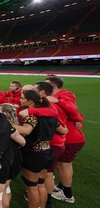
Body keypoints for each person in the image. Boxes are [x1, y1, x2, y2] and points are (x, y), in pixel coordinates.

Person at [45, 76, 85, 204]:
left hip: (70, 138)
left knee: (64, 166)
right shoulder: (61, 96)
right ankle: (62, 187)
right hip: (69, 137)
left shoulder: (63, 96)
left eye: (47, 85)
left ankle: (67, 194)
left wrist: (58, 100)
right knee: (63, 165)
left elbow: (74, 111)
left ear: (54, 86)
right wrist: (79, 119)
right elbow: (76, 115)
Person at [16, 90, 58, 208]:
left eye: (23, 98)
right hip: (47, 151)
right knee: (41, 184)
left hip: (33, 154)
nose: (20, 100)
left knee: (32, 187)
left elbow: (26, 130)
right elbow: (63, 130)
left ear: (30, 102)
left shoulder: (33, 116)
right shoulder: (50, 115)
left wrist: (7, 123)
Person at [0, 103, 26, 208]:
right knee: (6, 186)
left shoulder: (6, 126)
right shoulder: (14, 124)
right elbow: (22, 143)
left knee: (2, 188)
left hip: (7, 159)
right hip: (14, 157)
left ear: (4, 113)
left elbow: (22, 142)